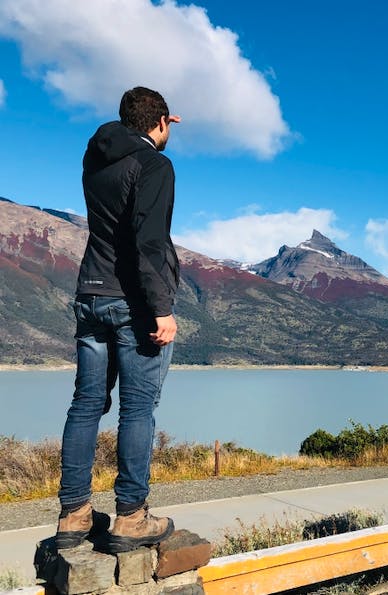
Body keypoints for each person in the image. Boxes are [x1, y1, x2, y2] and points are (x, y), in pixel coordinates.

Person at [55, 87, 181, 553]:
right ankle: (131, 516)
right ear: (161, 123)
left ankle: (74, 513)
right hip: (132, 303)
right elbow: (148, 240)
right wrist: (162, 308)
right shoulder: (155, 165)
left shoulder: (96, 161)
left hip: (90, 294)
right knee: (138, 408)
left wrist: (154, 121)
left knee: (86, 404)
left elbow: (125, 136)